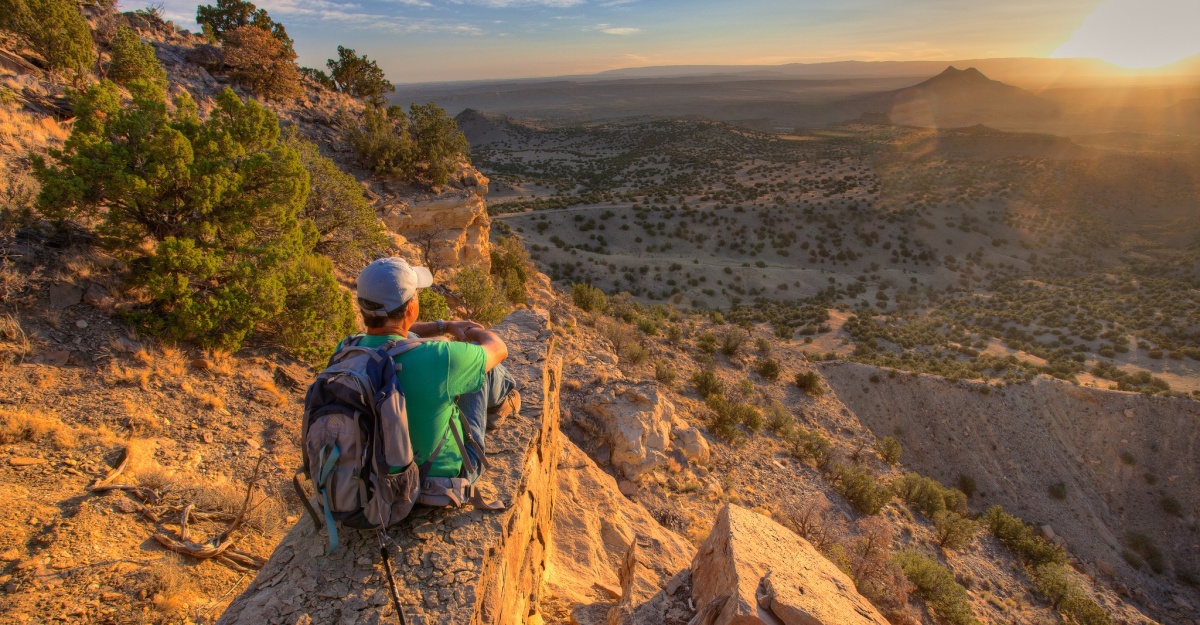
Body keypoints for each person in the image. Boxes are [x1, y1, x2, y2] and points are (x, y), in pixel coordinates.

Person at [344, 257, 520, 484]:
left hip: (368, 480)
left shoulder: (348, 348)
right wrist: (474, 331)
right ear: (411, 308)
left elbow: (397, 332)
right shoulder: (442, 357)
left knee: (417, 342)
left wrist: (445, 326)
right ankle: (504, 402)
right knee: (480, 364)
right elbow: (499, 349)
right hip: (436, 479)